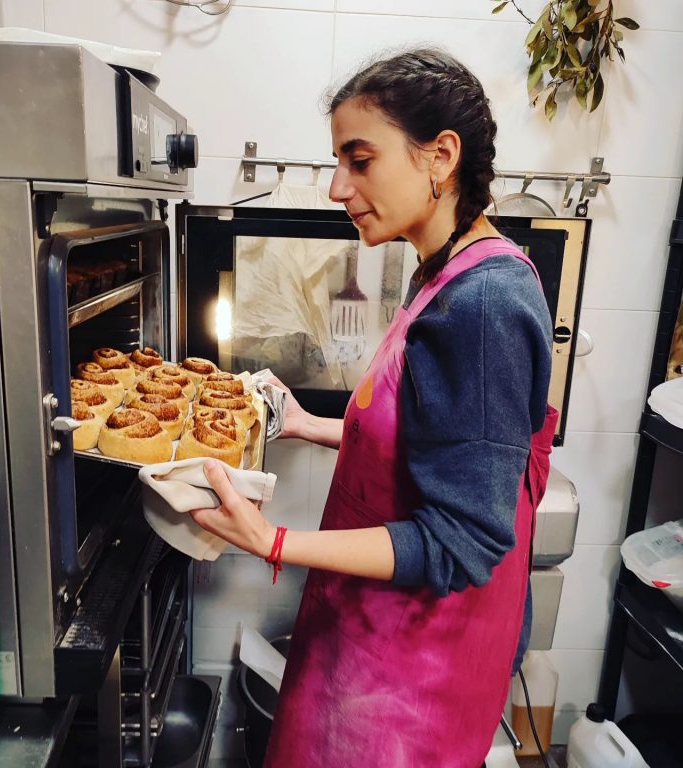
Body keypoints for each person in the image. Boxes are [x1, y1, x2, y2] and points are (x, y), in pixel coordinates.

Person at [190, 46, 557, 768]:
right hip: (376, 646)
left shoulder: (483, 303)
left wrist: (273, 541)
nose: (336, 188)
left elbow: (462, 538)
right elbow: (439, 440)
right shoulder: (448, 271)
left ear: (439, 156)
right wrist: (306, 422)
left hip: (410, 682)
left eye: (359, 160)